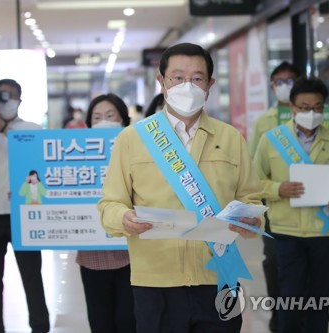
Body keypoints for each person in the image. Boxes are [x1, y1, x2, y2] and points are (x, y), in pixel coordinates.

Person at [97, 43, 264, 333]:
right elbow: (109, 204)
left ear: (210, 84)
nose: (188, 85)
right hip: (155, 280)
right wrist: (123, 218)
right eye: (177, 77)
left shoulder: (231, 138)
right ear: (161, 82)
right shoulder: (132, 139)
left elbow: (250, 198)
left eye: (197, 78)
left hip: (218, 277)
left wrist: (251, 221)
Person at [253, 77, 329, 333]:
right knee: (290, 298)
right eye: (303, 107)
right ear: (291, 107)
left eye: (318, 107)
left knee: (319, 300)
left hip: (323, 230)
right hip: (286, 231)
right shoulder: (271, 139)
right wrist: (278, 189)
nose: (311, 113)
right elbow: (253, 181)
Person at [0, 79, 50, 333]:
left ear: (19, 101)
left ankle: (39, 326)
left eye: (9, 97)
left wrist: (1, 127)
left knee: (32, 276)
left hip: (23, 213)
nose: (4, 102)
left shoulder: (31, 128)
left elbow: (35, 162)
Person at [76, 93, 136, 333]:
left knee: (128, 321)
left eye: (110, 116)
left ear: (124, 120)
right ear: (88, 124)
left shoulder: (138, 152)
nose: (104, 122)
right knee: (100, 322)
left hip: (132, 252)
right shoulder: (77, 155)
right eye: (97, 117)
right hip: (93, 255)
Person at [248, 60, 301, 332]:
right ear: (271, 87)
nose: (284, 87)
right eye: (279, 83)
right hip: (276, 210)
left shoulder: (321, 118)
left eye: (290, 81)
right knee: (276, 265)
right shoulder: (264, 123)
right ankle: (279, 320)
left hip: (312, 213)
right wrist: (274, 190)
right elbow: (253, 171)